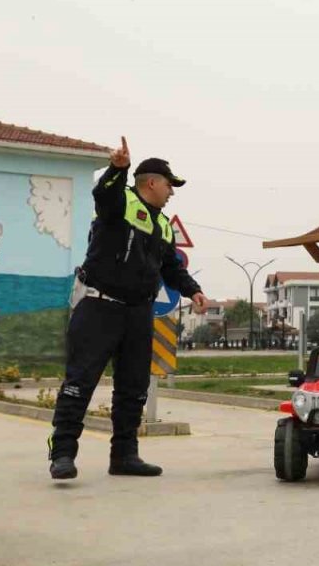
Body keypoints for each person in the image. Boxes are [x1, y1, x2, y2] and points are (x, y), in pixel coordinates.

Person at [48, 137, 206, 480]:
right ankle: (62, 453)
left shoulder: (163, 224)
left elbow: (171, 268)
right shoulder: (119, 203)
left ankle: (124, 456)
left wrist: (193, 291)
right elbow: (103, 195)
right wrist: (117, 170)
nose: (172, 192)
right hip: (99, 305)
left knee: (133, 388)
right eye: (169, 185)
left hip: (138, 313)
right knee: (80, 381)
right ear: (151, 182)